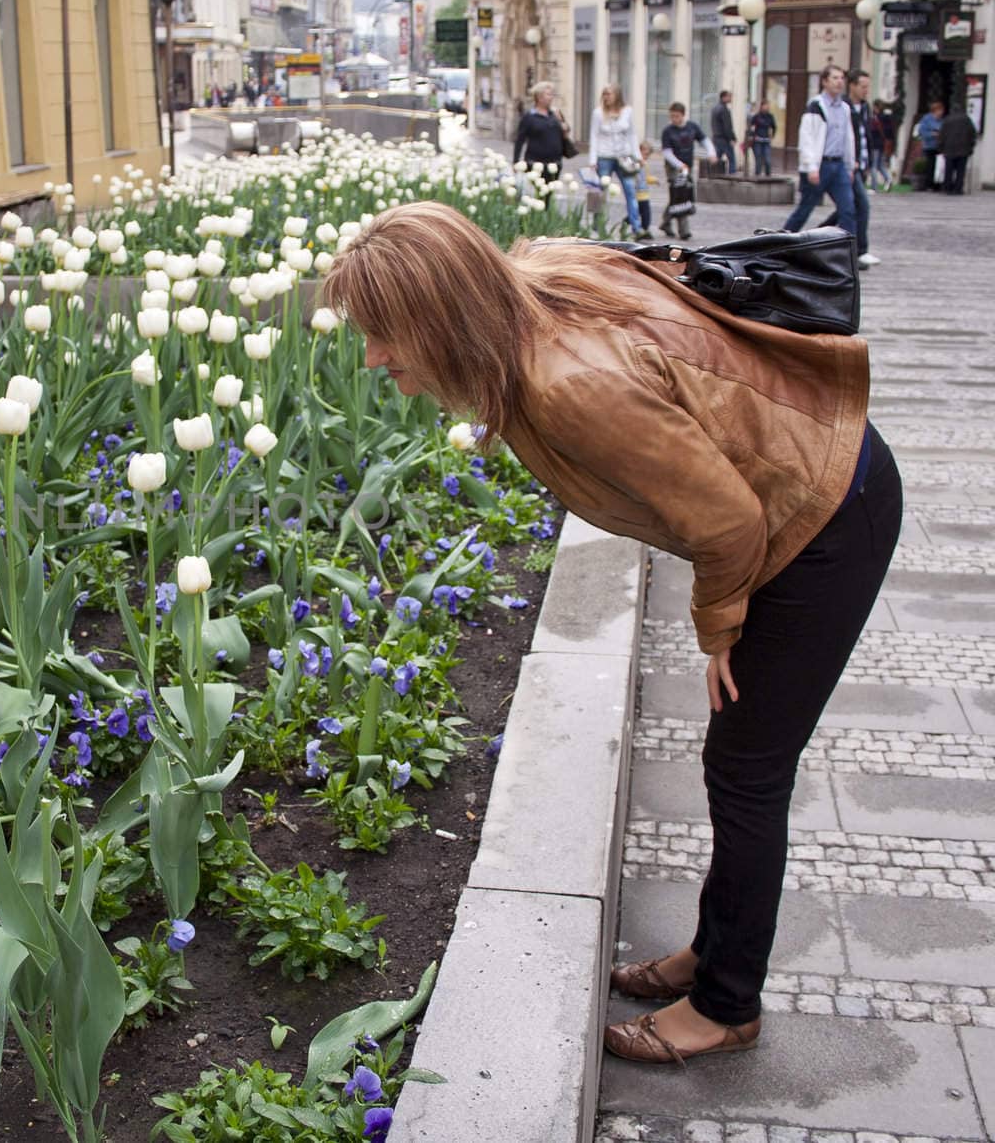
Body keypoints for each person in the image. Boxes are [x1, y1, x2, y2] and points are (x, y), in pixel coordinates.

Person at [324, 198, 900, 1070]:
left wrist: (720, 631)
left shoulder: (567, 386)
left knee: (747, 771)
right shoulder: (534, 279)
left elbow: (732, 525)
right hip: (811, 470)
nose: (372, 358)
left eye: (385, 333)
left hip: (817, 516)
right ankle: (714, 948)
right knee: (734, 761)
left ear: (442, 318)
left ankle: (727, 1003)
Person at [781, 64, 856, 235]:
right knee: (805, 209)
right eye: (835, 78)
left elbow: (848, 139)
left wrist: (849, 165)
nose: (839, 82)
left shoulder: (844, 108)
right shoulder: (816, 106)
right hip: (820, 165)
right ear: (825, 82)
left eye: (841, 78)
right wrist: (811, 166)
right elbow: (806, 138)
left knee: (848, 210)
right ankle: (780, 239)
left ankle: (847, 252)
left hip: (838, 165)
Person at [816, 70, 880, 268]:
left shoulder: (865, 108)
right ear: (852, 86)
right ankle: (858, 251)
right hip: (842, 164)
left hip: (856, 163)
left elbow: (863, 136)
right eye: (862, 86)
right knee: (858, 206)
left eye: (868, 86)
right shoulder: (843, 106)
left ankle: (817, 235)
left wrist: (866, 160)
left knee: (848, 208)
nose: (866, 90)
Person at [592, 84, 646, 238]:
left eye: (609, 94)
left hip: (624, 156)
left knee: (630, 190)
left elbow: (632, 134)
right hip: (604, 156)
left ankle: (637, 226)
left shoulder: (627, 112)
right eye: (604, 94)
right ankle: (597, 226)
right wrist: (592, 159)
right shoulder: (598, 113)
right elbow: (594, 135)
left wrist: (638, 156)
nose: (606, 97)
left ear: (617, 95)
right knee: (600, 192)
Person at [660, 102, 713, 240]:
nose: (674, 119)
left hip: (687, 167)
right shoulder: (668, 131)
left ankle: (665, 221)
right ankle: (684, 231)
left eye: (676, 116)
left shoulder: (692, 127)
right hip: (673, 168)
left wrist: (712, 153)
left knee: (677, 197)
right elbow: (666, 152)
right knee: (680, 195)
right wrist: (679, 164)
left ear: (683, 115)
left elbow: (704, 140)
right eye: (671, 116)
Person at [513, 81, 571, 178]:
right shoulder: (529, 116)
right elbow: (520, 140)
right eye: (548, 94)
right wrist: (516, 161)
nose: (551, 97)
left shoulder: (555, 113)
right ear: (539, 97)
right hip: (535, 164)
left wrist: (563, 125)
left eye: (552, 94)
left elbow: (566, 130)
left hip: (555, 164)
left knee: (551, 192)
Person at [939, 105, 978, 195]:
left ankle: (947, 188)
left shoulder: (947, 120)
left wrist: (941, 148)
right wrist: (971, 147)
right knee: (961, 171)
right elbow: (972, 134)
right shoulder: (967, 119)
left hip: (949, 149)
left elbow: (942, 135)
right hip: (963, 149)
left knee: (949, 170)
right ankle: (958, 188)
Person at [916, 100, 945, 191]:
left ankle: (937, 184)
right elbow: (921, 132)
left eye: (941, 110)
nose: (941, 112)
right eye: (939, 110)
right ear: (934, 110)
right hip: (929, 146)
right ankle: (929, 184)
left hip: (939, 146)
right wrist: (932, 134)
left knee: (939, 166)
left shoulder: (942, 120)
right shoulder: (926, 119)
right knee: (930, 165)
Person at [634, 140, 659, 237]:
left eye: (648, 155)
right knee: (638, 212)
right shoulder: (635, 164)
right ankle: (628, 223)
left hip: (645, 194)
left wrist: (654, 180)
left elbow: (646, 178)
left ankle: (645, 229)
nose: (646, 157)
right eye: (645, 154)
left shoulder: (645, 165)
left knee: (646, 215)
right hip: (637, 194)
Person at [710, 90, 737, 175]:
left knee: (717, 157)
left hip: (716, 137)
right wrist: (732, 138)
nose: (731, 98)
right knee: (732, 159)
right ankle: (732, 177)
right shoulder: (724, 110)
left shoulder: (715, 108)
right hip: (724, 138)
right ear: (724, 97)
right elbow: (727, 126)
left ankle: (713, 174)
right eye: (729, 96)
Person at [748, 101, 777, 177]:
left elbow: (774, 127)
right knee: (758, 159)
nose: (767, 107)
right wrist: (752, 136)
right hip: (758, 140)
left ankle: (768, 175)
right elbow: (751, 127)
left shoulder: (770, 116)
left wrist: (772, 136)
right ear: (761, 107)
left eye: (767, 106)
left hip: (766, 140)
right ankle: (757, 175)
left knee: (768, 159)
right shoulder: (756, 116)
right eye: (765, 106)